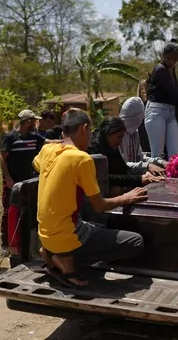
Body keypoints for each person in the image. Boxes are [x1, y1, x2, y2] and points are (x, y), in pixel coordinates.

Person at [33, 108, 148, 287]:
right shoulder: (82, 159)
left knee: (97, 226)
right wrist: (127, 197)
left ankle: (50, 253)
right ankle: (67, 264)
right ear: (84, 129)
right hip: (68, 237)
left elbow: (37, 165)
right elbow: (99, 206)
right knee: (135, 242)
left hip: (45, 235)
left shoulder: (48, 150)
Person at [0, 110, 46, 255]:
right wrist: (7, 178)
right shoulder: (10, 138)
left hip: (29, 182)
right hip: (13, 182)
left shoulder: (34, 137)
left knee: (29, 210)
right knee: (9, 211)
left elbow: (48, 143)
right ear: (27, 122)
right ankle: (6, 244)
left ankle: (24, 241)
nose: (36, 123)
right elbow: (2, 159)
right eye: (33, 121)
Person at [88, 116, 164, 191]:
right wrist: (139, 179)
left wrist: (144, 173)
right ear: (108, 134)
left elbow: (124, 169)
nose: (121, 142)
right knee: (116, 189)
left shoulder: (111, 146)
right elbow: (104, 178)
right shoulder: (93, 150)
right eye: (119, 137)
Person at [118, 97, 167, 175]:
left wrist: (160, 162)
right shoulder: (118, 135)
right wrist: (147, 166)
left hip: (134, 174)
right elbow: (122, 164)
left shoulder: (134, 133)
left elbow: (139, 157)